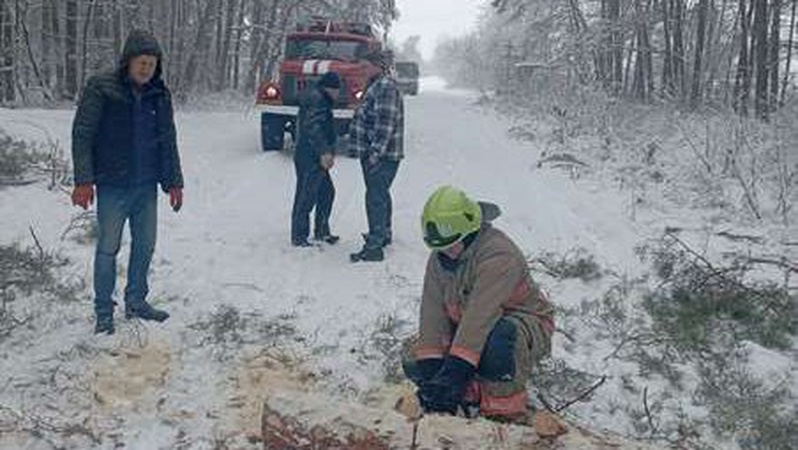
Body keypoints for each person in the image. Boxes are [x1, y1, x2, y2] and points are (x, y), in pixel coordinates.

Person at [403, 186, 555, 422]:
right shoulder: (440, 257)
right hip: (469, 321)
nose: (447, 253)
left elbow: (480, 317)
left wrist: (454, 373)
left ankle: (503, 413)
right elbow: (432, 314)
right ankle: (465, 396)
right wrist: (434, 373)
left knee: (500, 340)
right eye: (440, 248)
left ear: (470, 232)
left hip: (522, 321)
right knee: (417, 355)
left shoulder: (498, 255)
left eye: (452, 245)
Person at [71, 29, 184, 335]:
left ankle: (136, 301)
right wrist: (84, 180)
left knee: (145, 245)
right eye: (141, 62)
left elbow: (167, 139)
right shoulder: (102, 87)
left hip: (146, 187)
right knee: (108, 248)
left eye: (151, 63)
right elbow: (83, 133)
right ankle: (104, 310)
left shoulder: (159, 94)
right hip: (112, 185)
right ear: (128, 61)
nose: (146, 68)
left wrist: (175, 181)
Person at [348, 49, 404, 262]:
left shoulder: (385, 87)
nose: (362, 69)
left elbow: (385, 124)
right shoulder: (376, 85)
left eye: (365, 66)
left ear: (378, 66)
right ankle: (383, 235)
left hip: (382, 155)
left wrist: (374, 154)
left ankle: (374, 247)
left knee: (375, 197)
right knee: (380, 193)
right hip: (379, 154)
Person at [291, 71, 341, 247]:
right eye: (337, 90)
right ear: (329, 88)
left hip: (312, 154)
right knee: (306, 196)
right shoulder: (318, 100)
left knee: (327, 192)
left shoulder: (318, 97)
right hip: (310, 156)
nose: (338, 94)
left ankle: (321, 231)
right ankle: (299, 236)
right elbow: (313, 127)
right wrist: (324, 152)